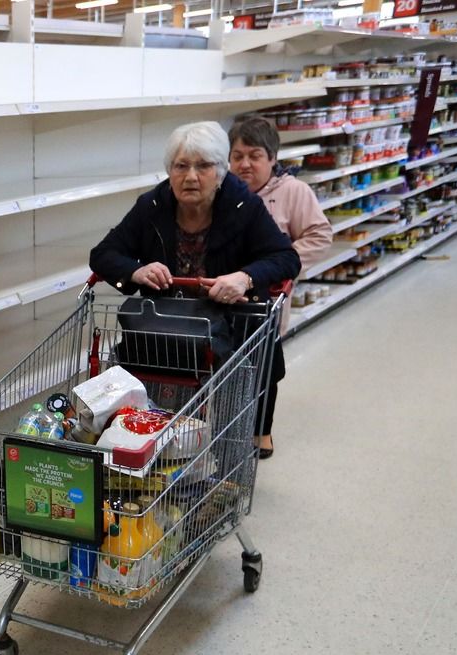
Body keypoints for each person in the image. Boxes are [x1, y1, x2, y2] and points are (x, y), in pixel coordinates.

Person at [89, 121, 299, 457]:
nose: (191, 176)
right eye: (181, 166)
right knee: (154, 408)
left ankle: (226, 471)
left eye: (203, 166)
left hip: (230, 326)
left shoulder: (244, 207)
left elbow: (285, 258)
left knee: (233, 405)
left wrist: (243, 278)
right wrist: (137, 270)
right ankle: (159, 469)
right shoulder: (152, 207)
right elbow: (103, 255)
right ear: (169, 170)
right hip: (166, 329)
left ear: (220, 171)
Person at [229, 116, 333, 458]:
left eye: (254, 155)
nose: (245, 164)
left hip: (267, 297)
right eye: (237, 155)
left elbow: (319, 236)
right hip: (224, 293)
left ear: (272, 158)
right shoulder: (223, 191)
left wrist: (280, 263)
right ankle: (223, 428)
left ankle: (262, 432)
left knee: (264, 366)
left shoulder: (293, 192)